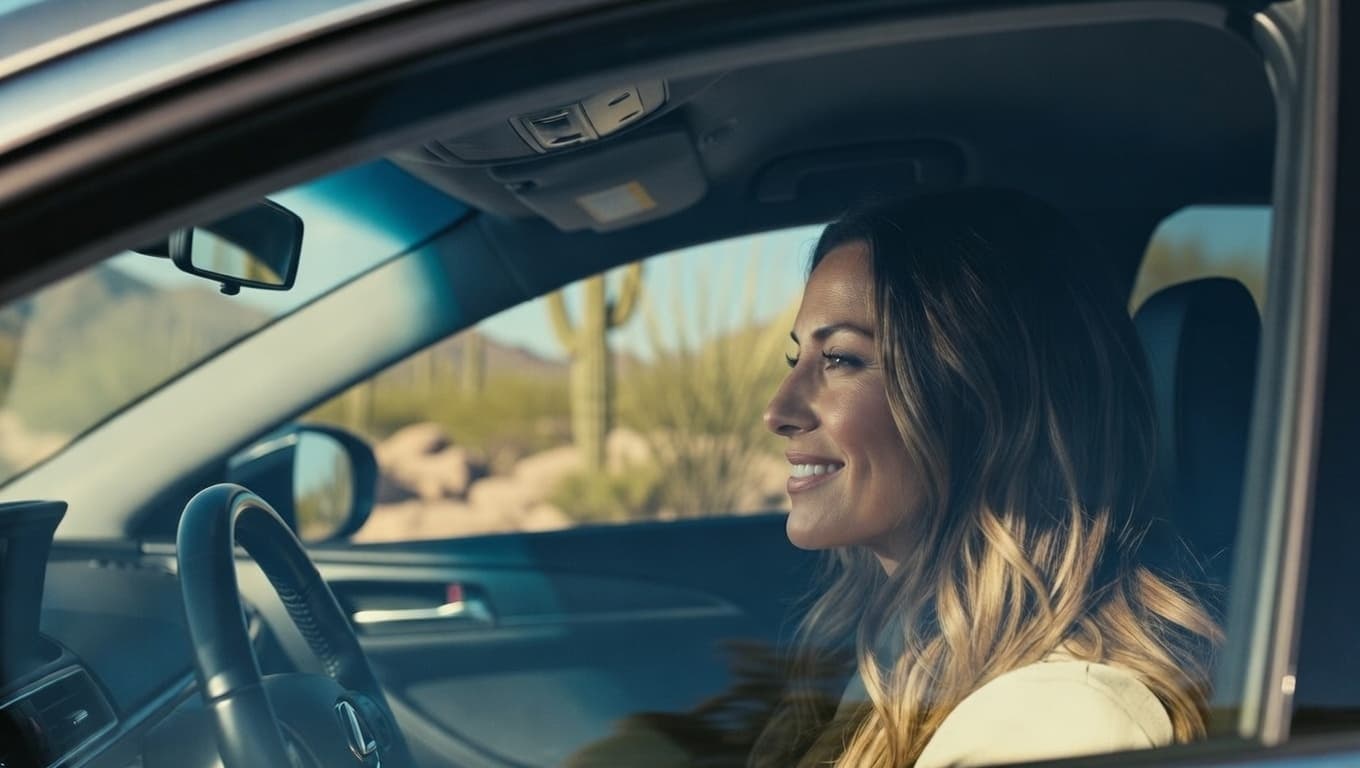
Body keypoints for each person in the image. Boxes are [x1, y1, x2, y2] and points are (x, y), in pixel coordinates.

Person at [753, 189, 1222, 768]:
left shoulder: (1057, 723)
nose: (778, 411)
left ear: (980, 403)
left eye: (842, 359)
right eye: (795, 360)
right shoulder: (909, 660)